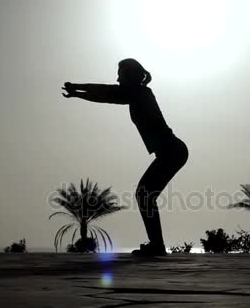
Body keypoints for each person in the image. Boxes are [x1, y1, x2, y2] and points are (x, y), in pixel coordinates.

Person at [62, 58, 189, 256]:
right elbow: (107, 94)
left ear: (130, 76)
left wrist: (77, 90)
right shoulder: (135, 93)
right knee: (145, 195)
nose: (118, 78)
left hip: (173, 151)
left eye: (121, 74)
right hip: (171, 152)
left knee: (144, 194)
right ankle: (156, 244)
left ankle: (157, 245)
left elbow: (107, 93)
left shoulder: (140, 93)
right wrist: (77, 92)